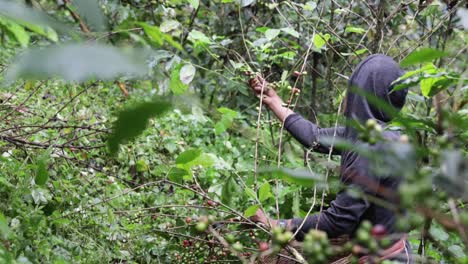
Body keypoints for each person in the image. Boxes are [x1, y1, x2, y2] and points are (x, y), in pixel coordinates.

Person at [248, 54, 413, 263]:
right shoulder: (376, 135)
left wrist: (279, 224)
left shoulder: (370, 148)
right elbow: (314, 137)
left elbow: (339, 221)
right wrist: (274, 100)